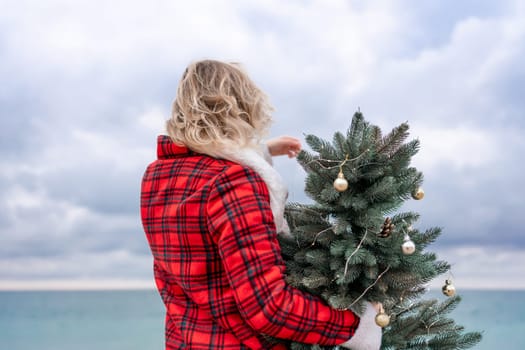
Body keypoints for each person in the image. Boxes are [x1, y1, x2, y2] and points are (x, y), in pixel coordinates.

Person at [140, 59, 382, 349]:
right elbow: (269, 307)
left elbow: (204, 168)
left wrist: (262, 150)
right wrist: (358, 325)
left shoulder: (157, 176)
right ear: (241, 107)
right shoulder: (234, 183)